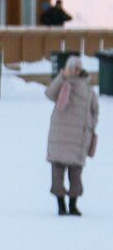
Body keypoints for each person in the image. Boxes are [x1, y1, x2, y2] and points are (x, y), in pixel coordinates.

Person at [45, 56, 98, 216]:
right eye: (71, 67)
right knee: (58, 172)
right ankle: (61, 205)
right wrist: (63, 76)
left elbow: (94, 110)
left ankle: (73, 204)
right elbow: (50, 94)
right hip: (60, 136)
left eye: (77, 68)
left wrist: (89, 127)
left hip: (78, 137)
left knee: (75, 174)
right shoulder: (62, 84)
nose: (74, 70)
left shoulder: (87, 89)